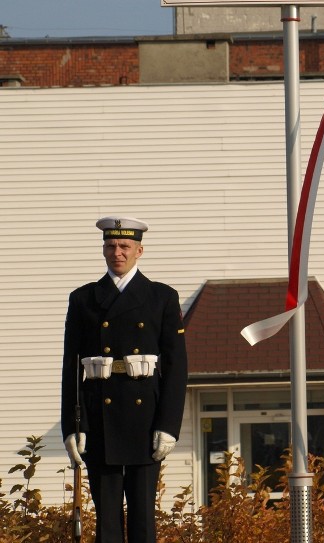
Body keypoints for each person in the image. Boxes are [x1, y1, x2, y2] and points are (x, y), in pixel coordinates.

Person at [61, 216, 188, 543]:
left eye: (124, 246)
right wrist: (72, 426)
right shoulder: (83, 299)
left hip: (145, 419)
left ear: (139, 250)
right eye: (110, 246)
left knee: (144, 517)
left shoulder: (161, 297)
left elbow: (176, 367)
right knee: (107, 522)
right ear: (103, 249)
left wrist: (169, 424)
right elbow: (71, 369)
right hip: (100, 419)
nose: (117, 252)